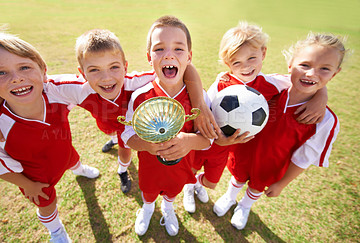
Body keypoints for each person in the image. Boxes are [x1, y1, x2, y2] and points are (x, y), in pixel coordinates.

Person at [0, 29, 210, 194]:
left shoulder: (138, 81)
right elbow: (31, 82)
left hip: (133, 126)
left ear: (124, 66)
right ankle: (117, 151)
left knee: (126, 147)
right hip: (107, 125)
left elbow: (185, 68)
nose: (106, 78)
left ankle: (122, 170)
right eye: (94, 70)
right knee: (116, 138)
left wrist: (198, 106)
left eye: (114, 67)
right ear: (82, 74)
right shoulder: (75, 89)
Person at [0, 28, 100, 242]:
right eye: (0, 73)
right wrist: (28, 185)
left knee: (72, 160)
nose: (16, 78)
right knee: (47, 204)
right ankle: (56, 231)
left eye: (24, 67)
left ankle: (79, 170)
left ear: (43, 70)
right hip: (35, 177)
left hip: (64, 152)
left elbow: (99, 83)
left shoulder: (56, 91)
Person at [184, 21, 328, 213]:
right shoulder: (222, 82)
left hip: (237, 146)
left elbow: (304, 81)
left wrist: (321, 94)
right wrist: (217, 138)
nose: (245, 67)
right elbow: (204, 113)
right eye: (237, 62)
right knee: (192, 168)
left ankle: (200, 185)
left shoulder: (273, 83)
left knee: (212, 181)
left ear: (264, 53)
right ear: (228, 64)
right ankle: (189, 186)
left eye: (252, 58)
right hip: (212, 142)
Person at [213, 32, 345, 230]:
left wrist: (282, 184)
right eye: (305, 65)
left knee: (257, 185)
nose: (311, 73)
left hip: (273, 164)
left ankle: (245, 206)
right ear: (290, 64)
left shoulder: (325, 120)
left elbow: (304, 157)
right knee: (237, 176)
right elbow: (235, 84)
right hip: (244, 150)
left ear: (335, 73)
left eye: (324, 69)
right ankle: (230, 197)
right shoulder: (270, 85)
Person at [121, 15, 212, 236]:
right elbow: (127, 134)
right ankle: (148, 208)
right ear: (148, 57)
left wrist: (189, 141)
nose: (169, 54)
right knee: (149, 192)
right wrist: (146, 145)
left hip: (180, 168)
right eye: (159, 49)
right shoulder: (141, 96)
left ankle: (168, 208)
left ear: (189, 57)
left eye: (178, 49)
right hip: (150, 167)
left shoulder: (200, 98)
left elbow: (208, 141)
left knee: (173, 191)